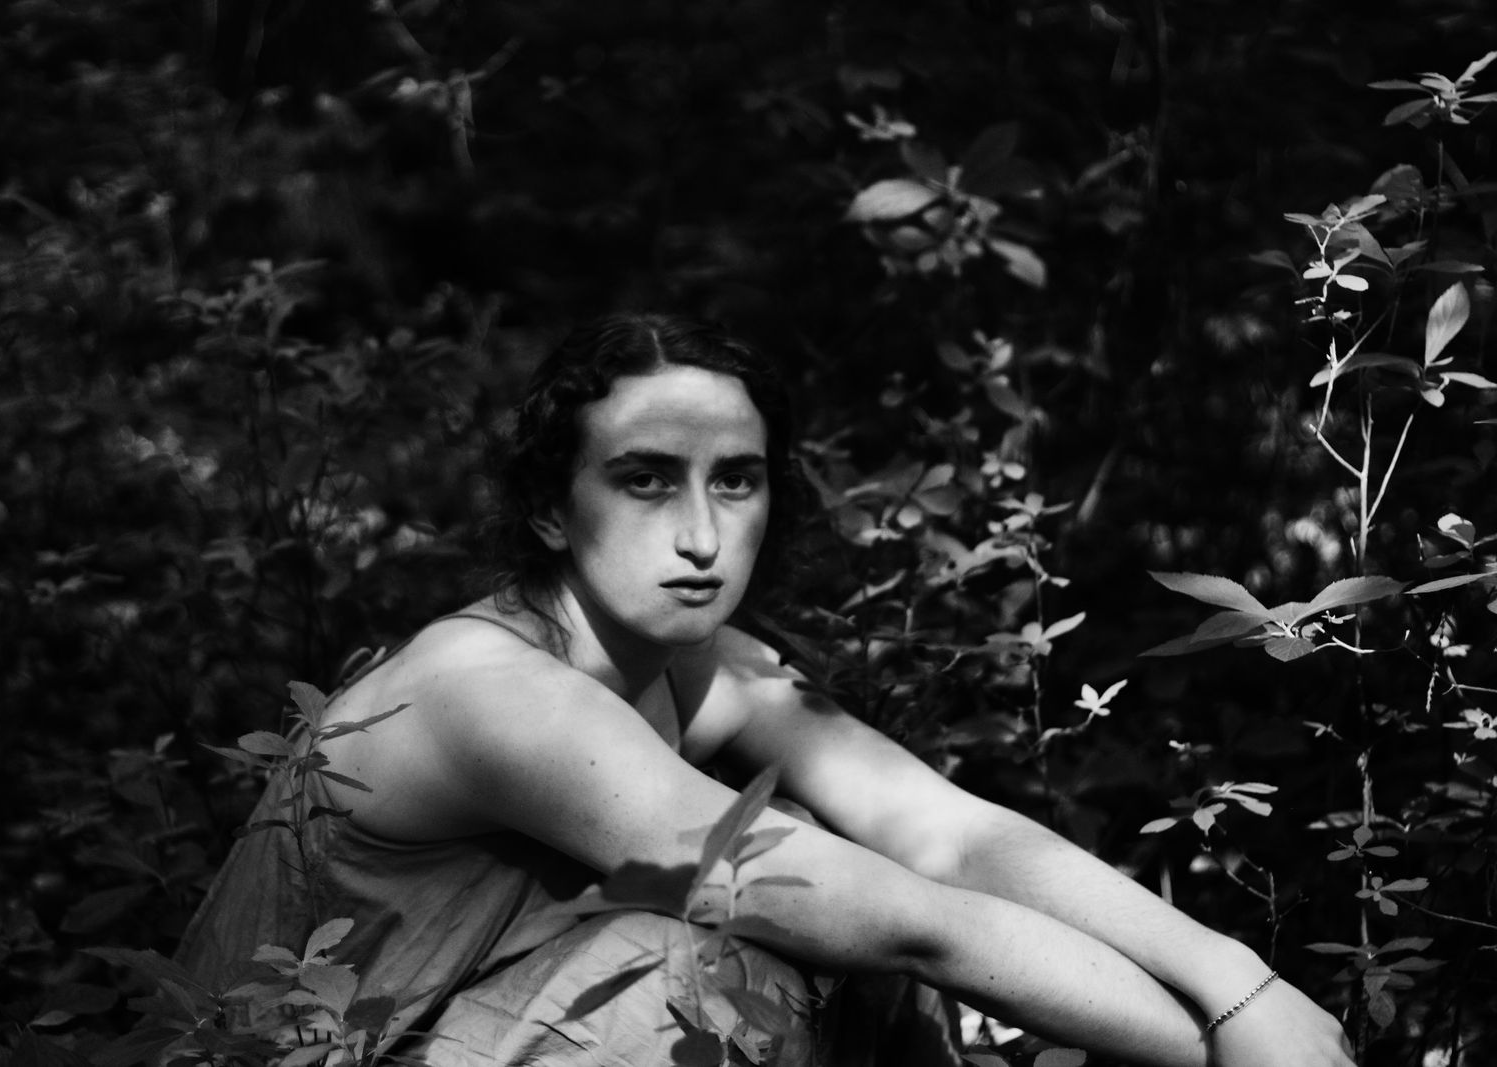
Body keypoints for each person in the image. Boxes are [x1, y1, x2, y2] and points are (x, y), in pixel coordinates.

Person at [173, 312, 1355, 1066]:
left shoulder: (703, 667)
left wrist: (1234, 978)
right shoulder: (492, 692)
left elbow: (945, 833)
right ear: (549, 509)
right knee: (707, 952)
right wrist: (1233, 1041)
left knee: (796, 915)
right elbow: (909, 915)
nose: (700, 533)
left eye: (734, 480)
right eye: (645, 480)